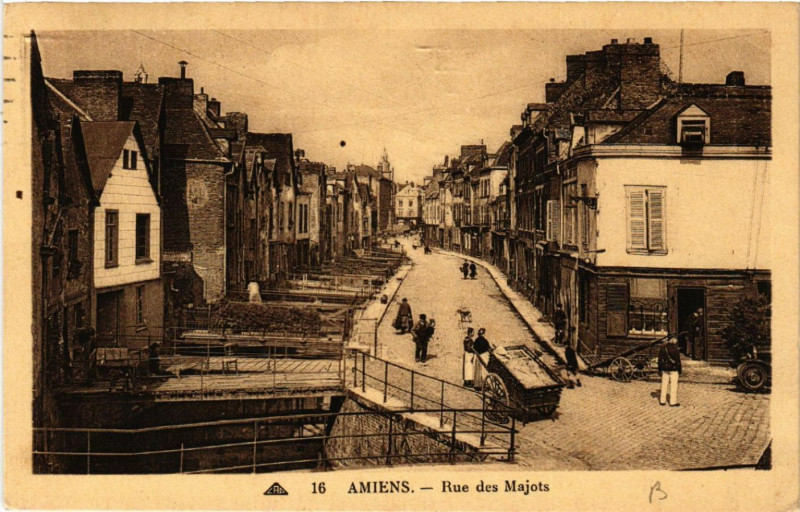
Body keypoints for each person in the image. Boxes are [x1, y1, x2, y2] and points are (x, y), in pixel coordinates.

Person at [658, 336, 682, 406]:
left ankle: (662, 401)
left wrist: (660, 370)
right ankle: (672, 402)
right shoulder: (676, 349)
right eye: (676, 339)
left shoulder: (663, 348)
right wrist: (679, 371)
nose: (676, 341)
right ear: (673, 340)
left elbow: (660, 361)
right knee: (673, 386)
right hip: (673, 370)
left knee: (664, 385)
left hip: (665, 369)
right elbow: (678, 361)